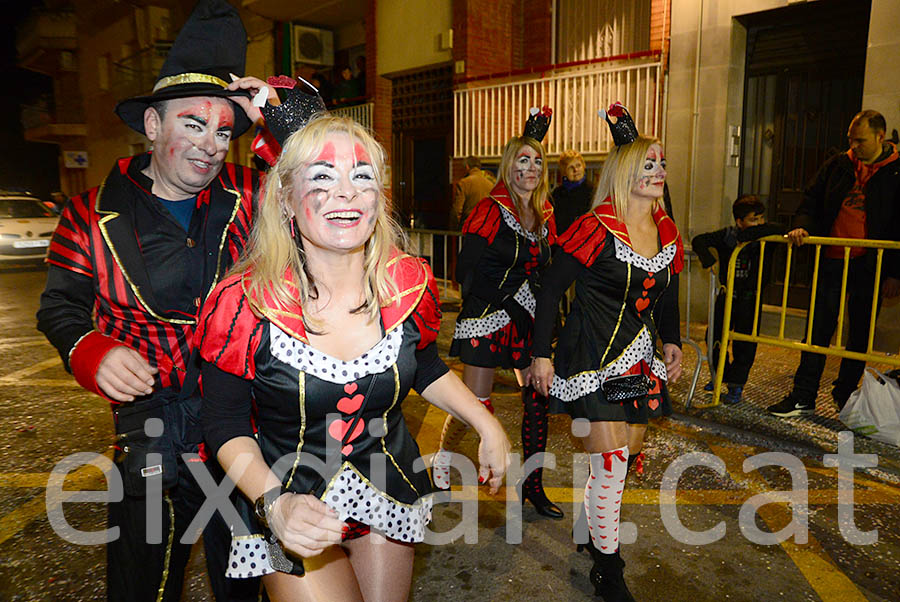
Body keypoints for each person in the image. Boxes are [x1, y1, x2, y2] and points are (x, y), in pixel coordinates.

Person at [195, 107, 510, 601]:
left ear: (377, 198)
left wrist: (485, 422)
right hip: (285, 506)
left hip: (388, 490)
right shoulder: (243, 302)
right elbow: (224, 423)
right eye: (322, 176)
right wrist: (274, 504)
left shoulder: (405, 283)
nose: (345, 192)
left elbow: (423, 366)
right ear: (285, 198)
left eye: (361, 177)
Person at [35, 2, 271, 599]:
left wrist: (278, 113)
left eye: (224, 129)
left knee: (244, 580)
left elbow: (326, 179)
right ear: (152, 124)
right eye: (193, 123)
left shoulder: (253, 196)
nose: (212, 145)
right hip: (151, 427)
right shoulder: (89, 213)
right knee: (143, 580)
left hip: (239, 422)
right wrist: (90, 349)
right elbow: (59, 306)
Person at [531, 102, 683, 601]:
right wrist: (542, 355)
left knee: (628, 451)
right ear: (625, 171)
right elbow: (551, 289)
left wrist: (673, 341)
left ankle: (588, 522)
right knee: (613, 460)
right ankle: (607, 570)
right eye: (649, 163)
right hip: (590, 351)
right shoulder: (597, 226)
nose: (659, 171)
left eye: (661, 163)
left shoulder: (665, 229)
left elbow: (669, 292)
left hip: (637, 354)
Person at [436, 107, 564, 519]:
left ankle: (534, 486)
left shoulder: (545, 216)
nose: (531, 167)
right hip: (487, 316)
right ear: (509, 166)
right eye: (523, 160)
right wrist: (509, 300)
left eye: (538, 161)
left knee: (538, 401)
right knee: (476, 403)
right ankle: (442, 459)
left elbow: (551, 272)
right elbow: (464, 270)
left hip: (527, 322)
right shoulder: (490, 210)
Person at [767, 109, 900, 418]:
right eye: (851, 139)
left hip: (871, 264)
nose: (854, 146)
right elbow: (810, 199)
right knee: (818, 328)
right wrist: (802, 225)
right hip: (831, 258)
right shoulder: (839, 164)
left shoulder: (895, 172)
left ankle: (844, 395)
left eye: (861, 140)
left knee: (860, 333)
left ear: (880, 137)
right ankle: (803, 395)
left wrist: (894, 272)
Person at [692, 195, 784, 404]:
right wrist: (709, 261)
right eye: (753, 219)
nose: (760, 223)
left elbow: (779, 228)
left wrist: (752, 232)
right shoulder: (728, 236)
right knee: (714, 336)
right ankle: (720, 376)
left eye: (761, 218)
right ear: (739, 221)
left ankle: (736, 385)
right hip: (727, 295)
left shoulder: (766, 238)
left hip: (750, 299)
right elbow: (700, 241)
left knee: (745, 343)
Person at [550, 149, 594, 234]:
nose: (576, 170)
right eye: (571, 167)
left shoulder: (593, 191)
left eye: (578, 165)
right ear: (564, 172)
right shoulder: (556, 194)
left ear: (584, 166)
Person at [449, 156, 496, 231]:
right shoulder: (490, 184)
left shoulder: (464, 183)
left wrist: (455, 227)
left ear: (467, 167)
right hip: (486, 228)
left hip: (469, 227)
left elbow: (457, 210)